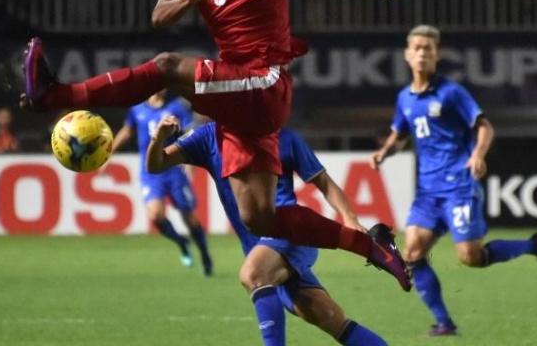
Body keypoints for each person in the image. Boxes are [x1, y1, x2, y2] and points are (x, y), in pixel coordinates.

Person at [20, 0, 410, 290]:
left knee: (168, 66)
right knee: (258, 216)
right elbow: (159, 16)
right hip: (238, 101)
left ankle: (55, 95)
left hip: (264, 81)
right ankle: (372, 247)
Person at [370, 25, 537, 336]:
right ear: (407, 55)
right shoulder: (404, 98)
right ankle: (444, 323)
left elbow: (484, 127)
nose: (422, 53)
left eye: (428, 48)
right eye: (417, 48)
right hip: (427, 191)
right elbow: (400, 134)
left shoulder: (451, 92)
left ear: (436, 55)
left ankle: (535, 245)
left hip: (459, 185)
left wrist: (477, 155)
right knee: (412, 252)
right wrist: (384, 152)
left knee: (470, 257)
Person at [147, 115, 388, 346]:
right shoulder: (209, 136)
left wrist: (349, 217)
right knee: (327, 315)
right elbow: (156, 165)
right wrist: (158, 138)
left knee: (253, 274)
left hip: (291, 234)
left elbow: (324, 183)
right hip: (259, 248)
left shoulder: (285, 138)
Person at [107, 91, 212, 275]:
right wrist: (110, 152)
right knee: (156, 215)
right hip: (151, 173)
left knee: (190, 219)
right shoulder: (137, 109)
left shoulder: (175, 108)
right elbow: (127, 130)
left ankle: (204, 253)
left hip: (173, 169)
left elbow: (189, 132)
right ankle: (181, 243)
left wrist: (192, 160)